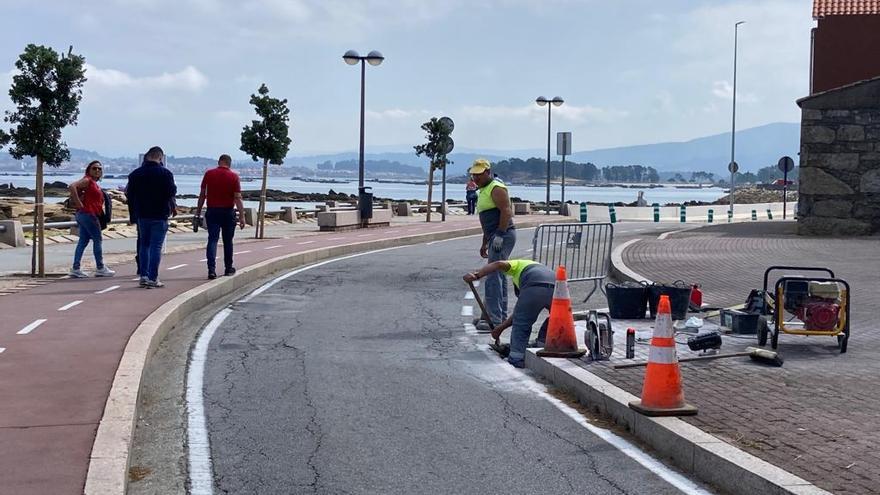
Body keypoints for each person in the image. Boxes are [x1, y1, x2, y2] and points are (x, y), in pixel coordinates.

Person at [464, 259, 555, 368]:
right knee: (556, 319)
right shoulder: (541, 268)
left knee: (522, 325)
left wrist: (477, 275)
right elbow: (518, 313)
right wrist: (500, 328)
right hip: (558, 287)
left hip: (534, 285)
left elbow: (498, 264)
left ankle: (516, 358)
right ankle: (542, 344)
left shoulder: (518, 265)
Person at [468, 158, 516, 331]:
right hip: (494, 236)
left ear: (488, 172)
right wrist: (485, 241)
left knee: (493, 277)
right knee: (497, 276)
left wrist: (500, 235)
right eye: (474, 175)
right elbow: (487, 221)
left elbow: (506, 211)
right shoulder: (484, 189)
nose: (476, 178)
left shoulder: (496, 188)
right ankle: (494, 316)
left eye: (479, 174)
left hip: (503, 235)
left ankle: (494, 320)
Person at [126, 146, 177, 288]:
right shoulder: (166, 174)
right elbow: (171, 192)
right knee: (156, 247)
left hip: (142, 215)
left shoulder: (135, 174)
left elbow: (130, 196)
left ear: (146, 157)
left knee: (144, 245)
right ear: (160, 158)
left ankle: (143, 275)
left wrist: (132, 215)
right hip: (160, 215)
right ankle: (153, 278)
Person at [195, 154, 246, 279]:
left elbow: (202, 195)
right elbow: (237, 198)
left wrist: (198, 212)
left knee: (212, 239)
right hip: (228, 212)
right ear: (229, 163)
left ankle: (211, 270)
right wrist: (242, 216)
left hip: (212, 211)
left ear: (219, 162)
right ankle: (228, 268)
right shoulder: (234, 176)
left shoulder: (209, 174)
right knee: (228, 241)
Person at [68, 160, 115, 278]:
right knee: (97, 239)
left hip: (84, 214)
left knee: (83, 241)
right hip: (88, 214)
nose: (97, 170)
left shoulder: (93, 183)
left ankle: (75, 268)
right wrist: (79, 203)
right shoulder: (87, 180)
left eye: (99, 169)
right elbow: (72, 186)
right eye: (94, 168)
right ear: (89, 170)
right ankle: (100, 267)